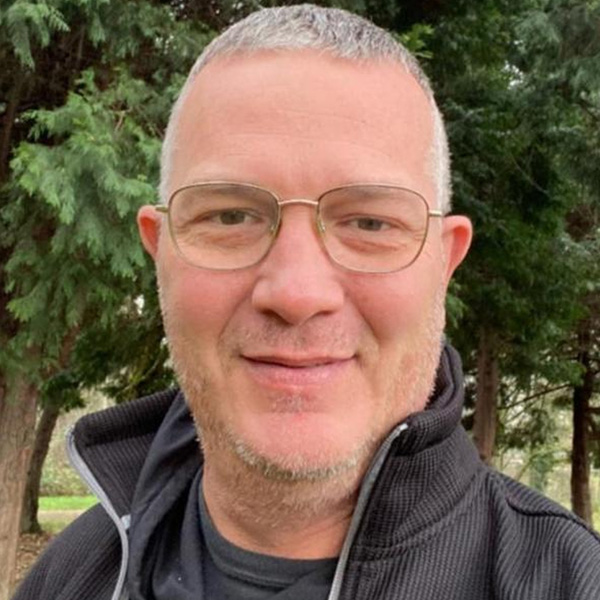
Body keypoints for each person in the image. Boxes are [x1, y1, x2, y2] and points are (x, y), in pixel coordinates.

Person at [14, 5, 600, 600]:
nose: (296, 294)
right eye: (230, 216)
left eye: (370, 223)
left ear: (444, 264)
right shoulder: (70, 578)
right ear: (160, 250)